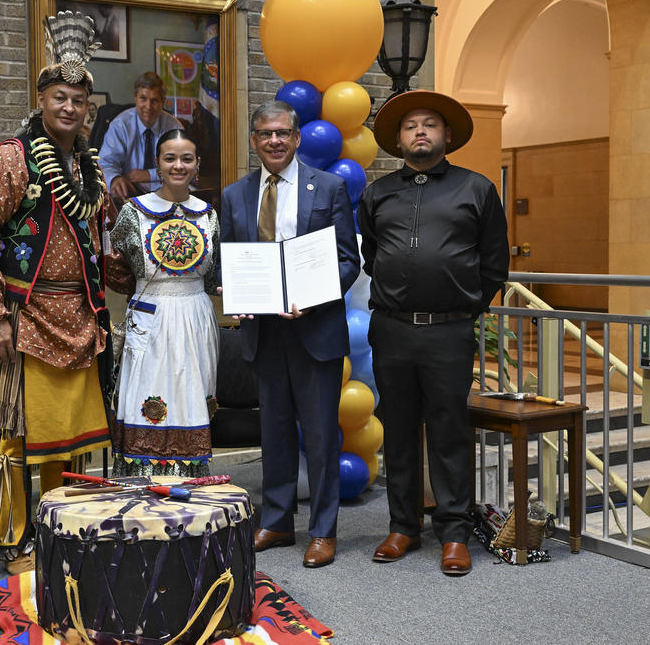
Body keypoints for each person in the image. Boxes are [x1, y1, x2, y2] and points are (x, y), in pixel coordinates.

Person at [0, 11, 112, 574]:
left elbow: (99, 237)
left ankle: (67, 529)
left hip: (80, 313)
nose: (69, 107)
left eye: (79, 100)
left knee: (71, 437)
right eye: (59, 97)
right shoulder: (12, 159)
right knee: (21, 435)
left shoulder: (87, 168)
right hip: (26, 315)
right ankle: (16, 540)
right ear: (41, 98)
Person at [358, 90, 509, 576]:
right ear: (398, 140)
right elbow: (371, 256)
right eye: (409, 126)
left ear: (446, 136)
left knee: (448, 432)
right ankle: (403, 526)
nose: (419, 131)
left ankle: (453, 532)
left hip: (449, 332)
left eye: (429, 124)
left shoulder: (477, 188)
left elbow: (494, 265)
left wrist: (462, 308)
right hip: (392, 330)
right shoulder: (378, 193)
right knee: (398, 431)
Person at [219, 101, 359, 569]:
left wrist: (314, 297)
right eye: (264, 134)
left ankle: (322, 531)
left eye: (282, 133)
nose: (274, 141)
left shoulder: (331, 187)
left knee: (320, 437)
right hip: (263, 332)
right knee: (274, 432)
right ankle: (277, 521)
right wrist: (229, 289)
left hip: (314, 329)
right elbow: (230, 257)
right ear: (254, 141)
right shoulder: (235, 194)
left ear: (297, 138)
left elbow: (347, 261)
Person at [107, 129, 220, 477]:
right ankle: (142, 487)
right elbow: (116, 269)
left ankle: (192, 489)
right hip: (150, 316)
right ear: (156, 163)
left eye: (187, 158)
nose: (178, 165)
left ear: (197, 164)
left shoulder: (208, 214)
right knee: (148, 397)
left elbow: (214, 274)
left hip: (196, 314)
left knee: (191, 398)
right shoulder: (133, 213)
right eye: (169, 157)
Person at [99, 72, 183, 206]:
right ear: (135, 98)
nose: (148, 107)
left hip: (166, 196)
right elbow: (105, 163)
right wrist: (114, 179)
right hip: (129, 194)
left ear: (163, 101)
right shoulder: (120, 125)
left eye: (154, 100)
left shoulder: (174, 127)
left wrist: (149, 175)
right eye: (143, 98)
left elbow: (183, 166)